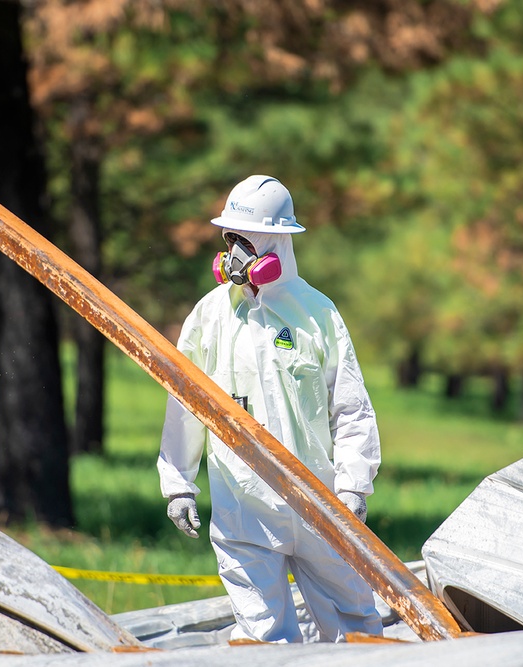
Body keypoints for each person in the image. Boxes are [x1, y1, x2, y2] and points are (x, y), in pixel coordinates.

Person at [157, 174, 383, 643]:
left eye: (246, 239)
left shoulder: (317, 314)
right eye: (230, 238)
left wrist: (354, 485)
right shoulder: (210, 315)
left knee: (356, 629)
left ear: (277, 240)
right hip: (243, 507)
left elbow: (351, 408)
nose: (236, 251)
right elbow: (184, 404)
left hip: (319, 503)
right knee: (266, 639)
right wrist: (178, 484)